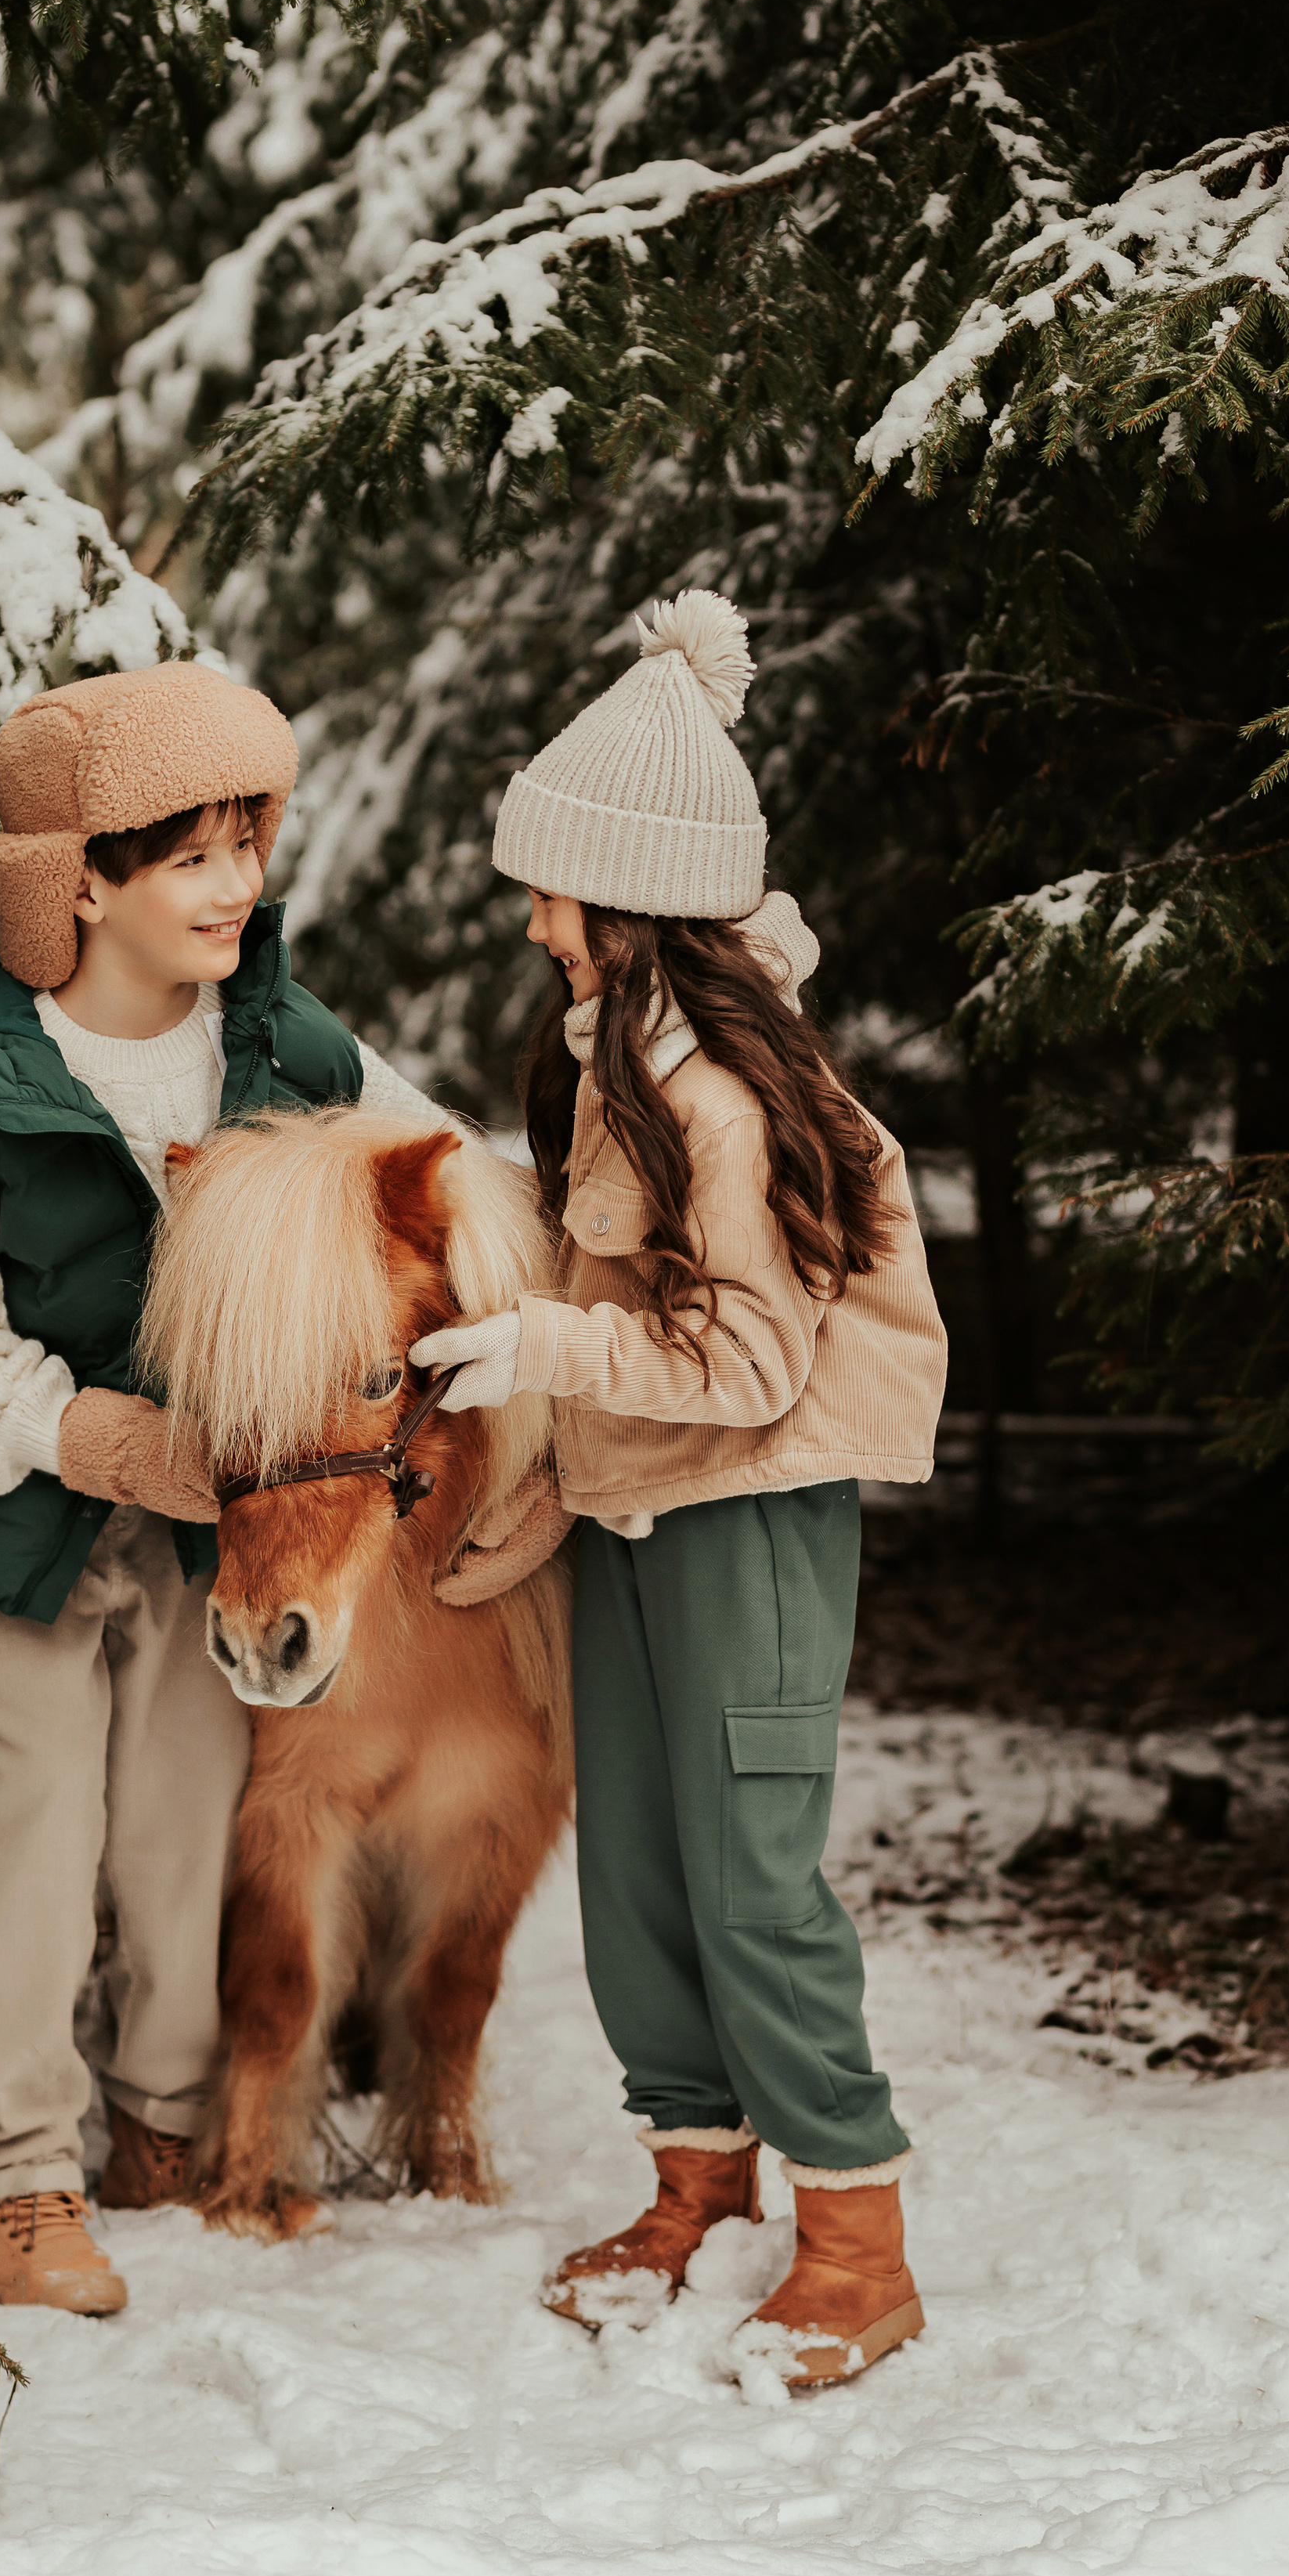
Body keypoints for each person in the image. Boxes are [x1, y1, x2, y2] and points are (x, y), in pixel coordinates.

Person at [0, 662, 499, 2318]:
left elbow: (441, 1172)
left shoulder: (272, 1038)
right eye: (187, 856)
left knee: (195, 1813)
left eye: (248, 845)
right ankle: (14, 2170)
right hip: (11, 1503)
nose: (232, 888)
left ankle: (164, 2115)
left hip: (215, 1525)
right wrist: (104, 1441)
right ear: (81, 882)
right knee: (36, 1817)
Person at [410, 589, 948, 2391]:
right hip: (641, 1504)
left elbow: (743, 1367)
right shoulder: (605, 1066)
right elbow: (605, 1316)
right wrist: (534, 1479)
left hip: (752, 1512)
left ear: (636, 903)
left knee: (745, 1878)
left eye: (556, 894)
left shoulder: (725, 1099)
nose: (536, 923)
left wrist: (544, 1361)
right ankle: (695, 2183)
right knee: (635, 1872)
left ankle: (855, 2246)